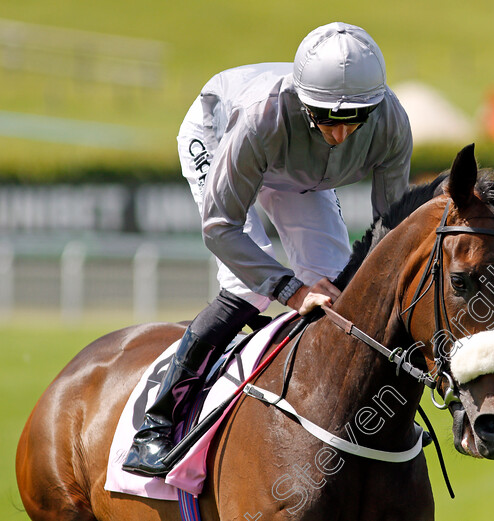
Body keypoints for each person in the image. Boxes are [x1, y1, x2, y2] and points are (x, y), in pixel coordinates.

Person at [122, 22, 412, 477]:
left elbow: (389, 226)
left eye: (354, 119)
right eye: (326, 117)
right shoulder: (263, 117)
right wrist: (291, 291)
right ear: (303, 100)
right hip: (223, 137)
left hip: (298, 172)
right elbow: (220, 227)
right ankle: (156, 426)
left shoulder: (391, 121)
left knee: (337, 282)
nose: (339, 136)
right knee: (247, 285)